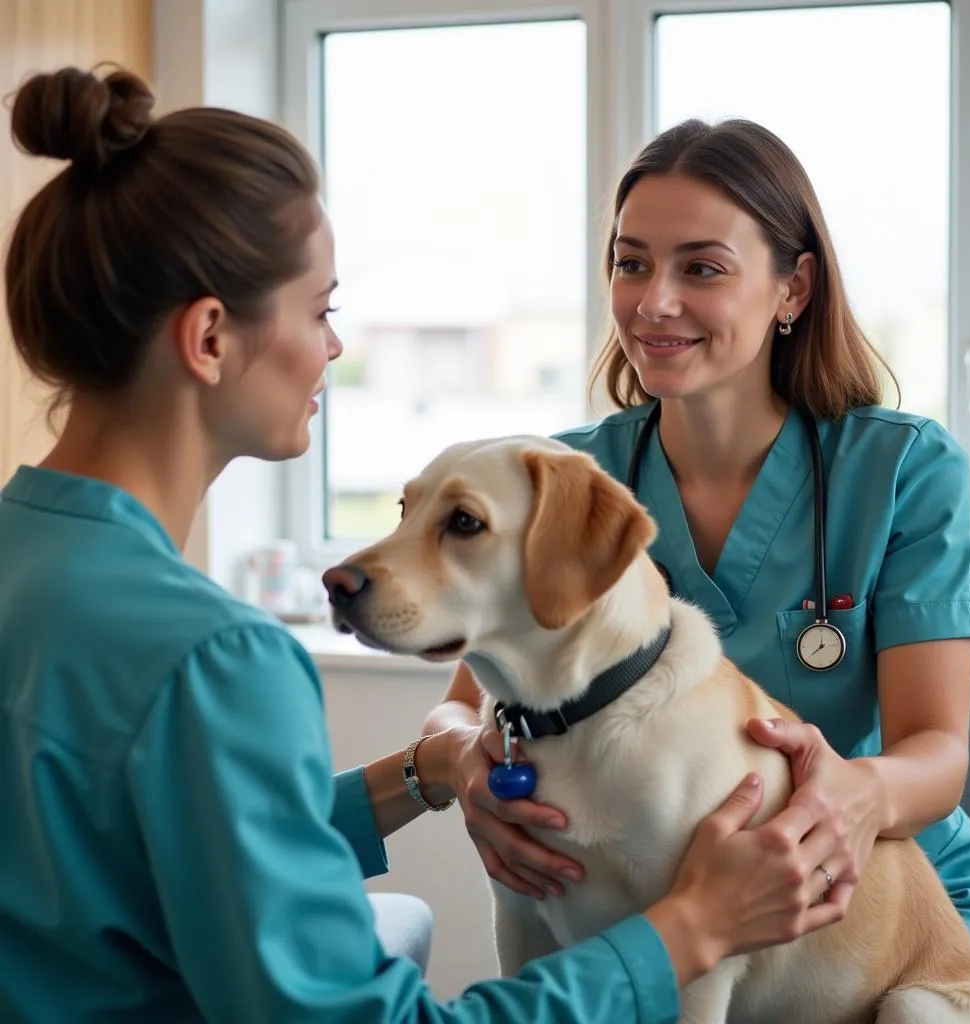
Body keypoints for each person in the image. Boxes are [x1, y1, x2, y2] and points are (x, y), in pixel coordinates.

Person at [0, 66, 850, 1024]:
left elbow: (142, 841)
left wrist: (427, 771)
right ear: (208, 338)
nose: (333, 348)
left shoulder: (30, 566)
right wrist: (690, 931)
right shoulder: (216, 660)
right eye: (321, 310)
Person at [425, 116, 970, 1011]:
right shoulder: (571, 484)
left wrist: (852, 798)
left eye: (701, 268)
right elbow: (463, 708)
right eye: (631, 263)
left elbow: (935, 754)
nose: (653, 301)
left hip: (867, 913)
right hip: (660, 924)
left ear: (794, 288)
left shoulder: (902, 470)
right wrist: (461, 764)